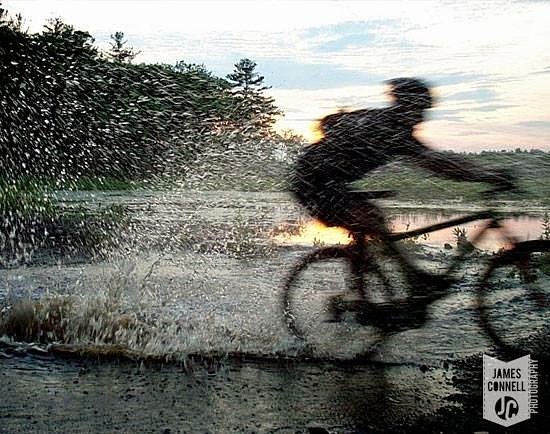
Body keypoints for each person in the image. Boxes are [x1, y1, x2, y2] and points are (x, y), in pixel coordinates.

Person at [289, 77, 514, 299]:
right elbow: (440, 165)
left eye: (424, 109)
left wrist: (485, 174)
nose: (422, 117)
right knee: (371, 219)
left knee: (372, 220)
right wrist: (487, 176)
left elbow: (330, 122)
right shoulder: (390, 130)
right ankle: (408, 283)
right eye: (420, 109)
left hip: (327, 181)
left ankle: (376, 282)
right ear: (406, 105)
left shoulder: (387, 122)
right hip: (312, 183)